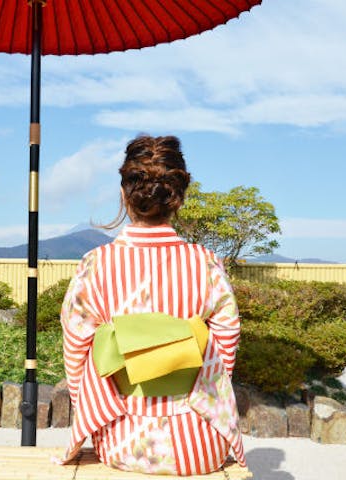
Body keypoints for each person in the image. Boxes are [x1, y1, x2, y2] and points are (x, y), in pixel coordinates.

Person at [58, 134, 246, 475]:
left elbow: (76, 349)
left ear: (124, 194)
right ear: (179, 199)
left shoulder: (96, 264)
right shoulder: (205, 262)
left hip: (123, 439)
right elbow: (226, 344)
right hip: (201, 445)